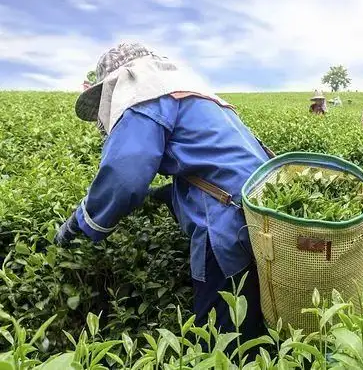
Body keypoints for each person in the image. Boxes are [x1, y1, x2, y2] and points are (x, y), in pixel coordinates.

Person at [54, 42, 269, 352]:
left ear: (119, 81)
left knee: (222, 337)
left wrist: (79, 223)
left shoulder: (144, 96)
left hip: (224, 221)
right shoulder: (193, 95)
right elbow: (214, 163)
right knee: (250, 319)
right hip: (259, 210)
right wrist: (164, 195)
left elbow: (124, 178)